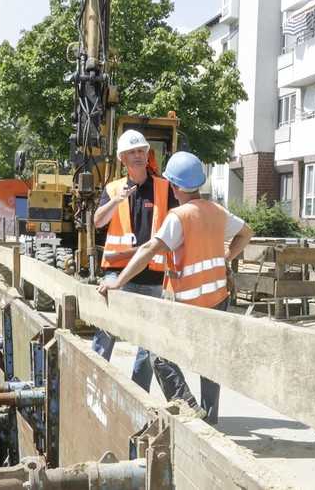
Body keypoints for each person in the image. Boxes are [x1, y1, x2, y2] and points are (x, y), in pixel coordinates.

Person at [98, 151, 254, 425]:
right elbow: (246, 233)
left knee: (159, 354)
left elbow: (149, 248)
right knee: (210, 361)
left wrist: (118, 281)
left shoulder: (179, 217)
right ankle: (210, 417)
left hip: (190, 303)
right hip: (218, 299)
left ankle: (188, 408)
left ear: (174, 185)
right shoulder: (217, 211)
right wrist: (227, 257)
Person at [92, 130, 197, 408]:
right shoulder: (114, 189)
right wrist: (116, 201)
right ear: (123, 158)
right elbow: (97, 222)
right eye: (133, 152)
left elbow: (183, 219)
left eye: (142, 151)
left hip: (152, 274)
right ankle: (92, 384)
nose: (139, 155)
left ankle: (136, 398)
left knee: (147, 343)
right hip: (117, 272)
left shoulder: (163, 188)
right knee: (106, 330)